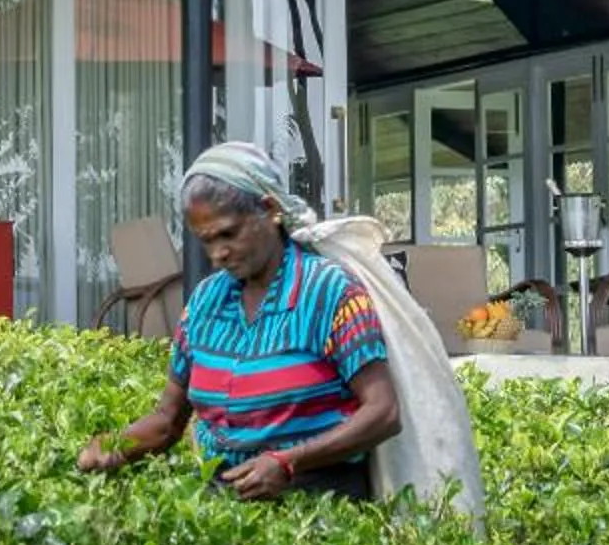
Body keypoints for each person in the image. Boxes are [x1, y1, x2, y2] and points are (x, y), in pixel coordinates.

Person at [77, 142, 403, 501]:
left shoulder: (331, 293)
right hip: (225, 505)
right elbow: (168, 421)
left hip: (319, 506)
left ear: (270, 210)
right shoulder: (205, 303)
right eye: (207, 241)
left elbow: (383, 411)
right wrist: (113, 446)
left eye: (228, 234)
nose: (218, 254)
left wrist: (288, 462)